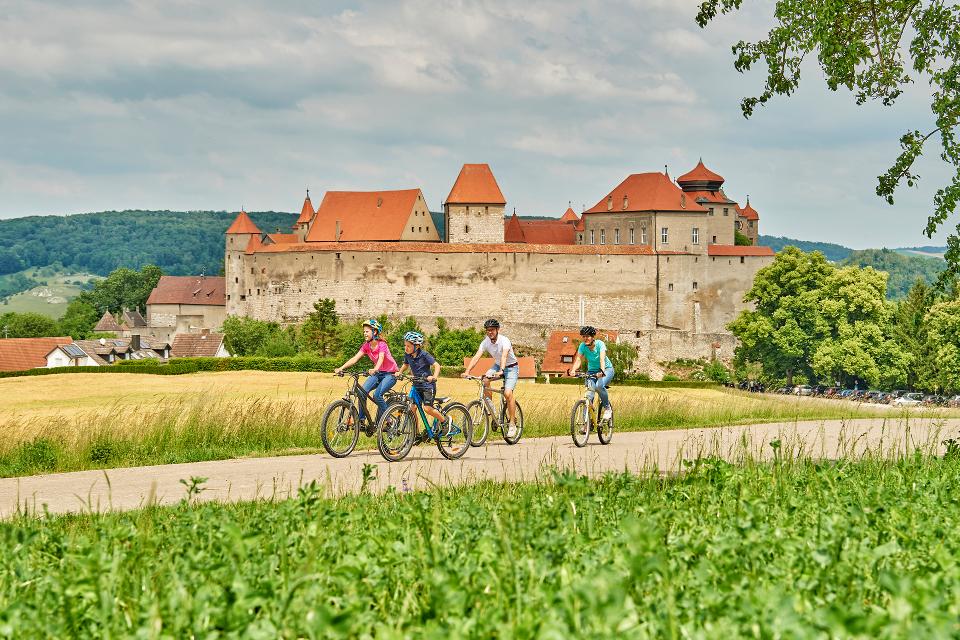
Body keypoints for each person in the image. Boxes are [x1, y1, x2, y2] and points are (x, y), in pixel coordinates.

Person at [334, 319, 399, 435]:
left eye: (367, 331)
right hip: (378, 373)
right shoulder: (366, 346)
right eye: (364, 331)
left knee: (377, 395)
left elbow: (381, 358)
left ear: (374, 332)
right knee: (362, 392)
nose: (364, 333)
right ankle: (362, 420)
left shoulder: (382, 344)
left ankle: (389, 420)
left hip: (391, 374)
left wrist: (375, 368)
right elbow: (355, 358)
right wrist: (341, 368)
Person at [462, 318, 519, 439]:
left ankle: (512, 424)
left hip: (511, 368)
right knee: (485, 380)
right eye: (488, 330)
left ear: (497, 330)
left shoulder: (505, 341)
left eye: (492, 330)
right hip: (498, 366)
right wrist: (467, 371)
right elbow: (477, 356)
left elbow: (504, 356)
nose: (490, 332)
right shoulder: (486, 342)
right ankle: (493, 412)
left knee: (508, 394)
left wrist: (502, 371)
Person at [396, 331, 447, 435]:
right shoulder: (408, 355)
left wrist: (434, 377)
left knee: (427, 408)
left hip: (427, 386)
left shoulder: (424, 355)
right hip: (416, 384)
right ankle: (416, 434)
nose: (406, 348)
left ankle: (445, 421)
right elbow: (405, 365)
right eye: (405, 345)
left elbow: (437, 365)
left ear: (417, 346)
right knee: (412, 408)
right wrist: (399, 372)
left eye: (408, 346)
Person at [567, 326, 615, 431]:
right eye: (583, 336)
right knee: (589, 396)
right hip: (592, 372)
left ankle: (607, 408)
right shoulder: (582, 346)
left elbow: (602, 359)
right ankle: (587, 423)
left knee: (598, 386)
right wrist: (573, 370)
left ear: (593, 337)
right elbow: (578, 359)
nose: (585, 338)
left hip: (606, 369)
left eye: (587, 336)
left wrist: (601, 371)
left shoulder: (600, 344)